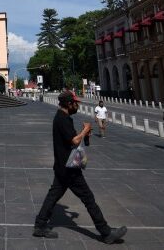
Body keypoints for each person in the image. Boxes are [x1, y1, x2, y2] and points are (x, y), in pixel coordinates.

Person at [33, 91, 127, 244]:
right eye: (75, 103)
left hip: (62, 166)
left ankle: (40, 225)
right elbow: (75, 141)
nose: (77, 105)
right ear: (69, 104)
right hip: (69, 169)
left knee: (53, 195)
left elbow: (72, 140)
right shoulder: (62, 119)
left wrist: (86, 135)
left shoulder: (63, 118)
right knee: (88, 198)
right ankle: (106, 232)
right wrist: (84, 130)